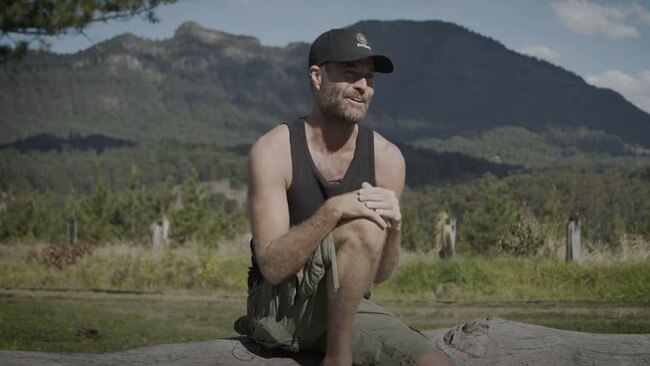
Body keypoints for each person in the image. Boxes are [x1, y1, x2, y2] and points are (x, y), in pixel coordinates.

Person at [235, 28, 456, 366]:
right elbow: (273, 268)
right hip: (277, 306)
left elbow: (379, 275)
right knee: (362, 227)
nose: (363, 87)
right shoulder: (274, 150)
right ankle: (337, 359)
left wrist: (394, 229)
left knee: (435, 362)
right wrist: (334, 209)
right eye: (350, 74)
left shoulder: (387, 158)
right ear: (317, 76)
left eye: (368, 78)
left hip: (345, 307)